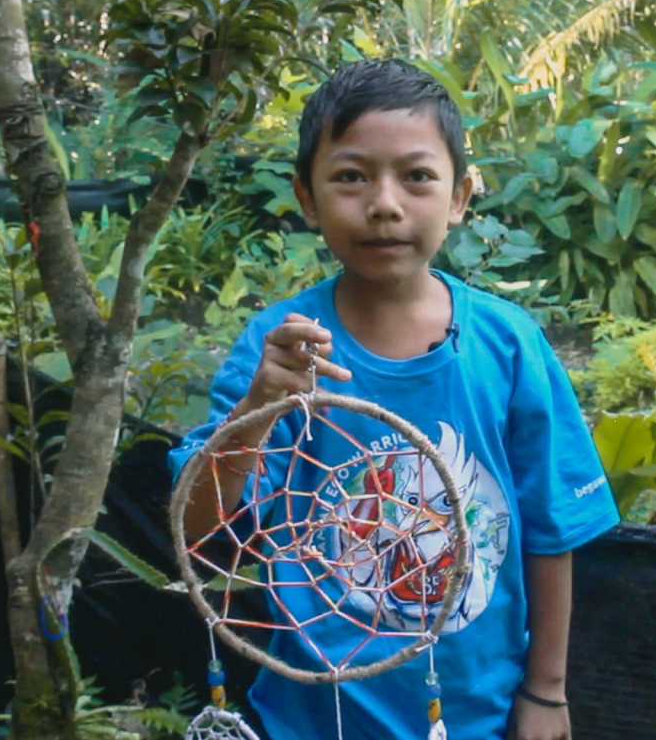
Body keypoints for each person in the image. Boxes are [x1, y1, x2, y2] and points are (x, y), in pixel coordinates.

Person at [168, 58, 620, 740]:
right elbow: (202, 525)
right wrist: (261, 400)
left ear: (461, 196)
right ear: (306, 197)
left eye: (417, 176)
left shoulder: (507, 344)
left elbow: (552, 525)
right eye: (351, 176)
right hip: (311, 718)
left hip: (477, 714)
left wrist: (547, 690)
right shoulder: (278, 347)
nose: (385, 203)